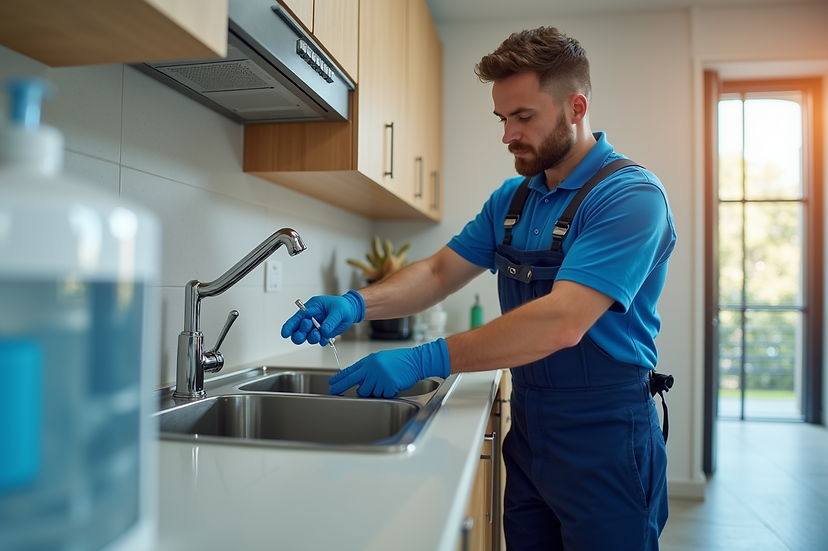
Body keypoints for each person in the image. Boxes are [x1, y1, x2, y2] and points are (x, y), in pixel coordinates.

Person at [282, 26, 675, 550]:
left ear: (576, 107)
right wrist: (357, 303)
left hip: (606, 434)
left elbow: (562, 321)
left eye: (524, 117)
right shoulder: (514, 200)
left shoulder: (629, 198)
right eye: (502, 118)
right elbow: (440, 273)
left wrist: (423, 360)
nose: (508, 135)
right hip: (532, 430)